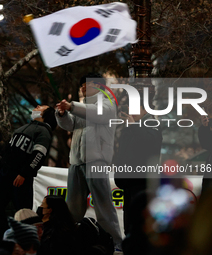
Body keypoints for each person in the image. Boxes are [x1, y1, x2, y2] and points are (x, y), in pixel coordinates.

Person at [55, 73, 123, 254]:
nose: (83, 88)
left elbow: (98, 114)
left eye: (86, 84)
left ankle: (116, 243)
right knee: (72, 208)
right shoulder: (81, 107)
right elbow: (70, 125)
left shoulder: (107, 103)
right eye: (82, 85)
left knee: (104, 206)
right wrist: (61, 114)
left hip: (96, 161)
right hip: (77, 161)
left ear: (98, 85)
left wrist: (72, 106)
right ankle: (69, 241)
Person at [0, 105, 56, 240]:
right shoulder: (23, 128)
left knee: (23, 211)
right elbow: (8, 151)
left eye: (41, 107)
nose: (37, 106)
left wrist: (25, 173)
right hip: (5, 174)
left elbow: (38, 155)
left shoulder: (44, 132)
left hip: (20, 177)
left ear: (45, 115)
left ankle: (25, 241)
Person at [113, 93, 162, 236]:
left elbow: (149, 146)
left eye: (134, 107)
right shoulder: (130, 127)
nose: (130, 110)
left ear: (145, 109)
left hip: (142, 183)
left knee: (140, 224)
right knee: (129, 224)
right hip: (128, 184)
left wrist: (133, 126)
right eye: (129, 107)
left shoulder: (152, 124)